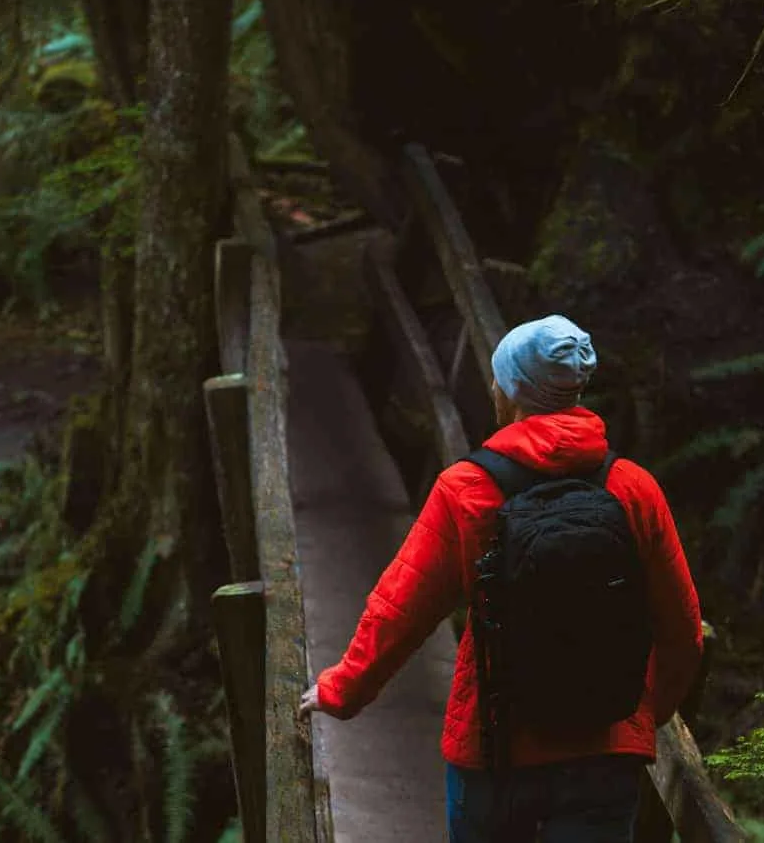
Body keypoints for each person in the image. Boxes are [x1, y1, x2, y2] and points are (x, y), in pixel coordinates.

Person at [299, 314, 703, 842]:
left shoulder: (468, 488)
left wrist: (341, 690)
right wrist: (641, 713)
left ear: (510, 392)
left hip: (494, 750)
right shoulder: (633, 488)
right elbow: (683, 632)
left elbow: (402, 608)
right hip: (605, 747)